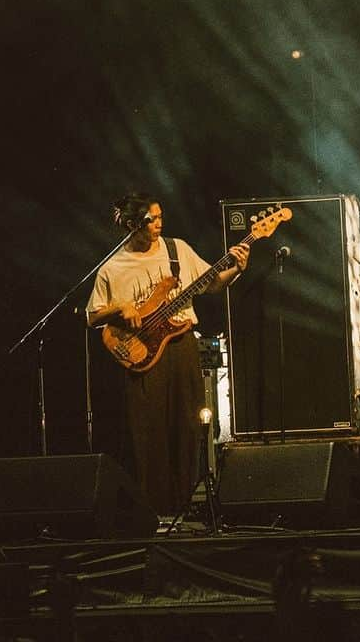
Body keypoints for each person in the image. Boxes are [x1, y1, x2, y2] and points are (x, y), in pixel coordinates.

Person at [86, 192, 249, 515]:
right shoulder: (113, 267)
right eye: (152, 219)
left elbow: (212, 284)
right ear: (133, 225)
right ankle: (150, 510)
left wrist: (238, 268)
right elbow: (92, 316)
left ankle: (182, 506)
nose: (160, 224)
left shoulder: (177, 250)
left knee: (187, 426)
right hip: (140, 352)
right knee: (147, 431)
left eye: (161, 217)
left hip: (181, 345)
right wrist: (120, 307)